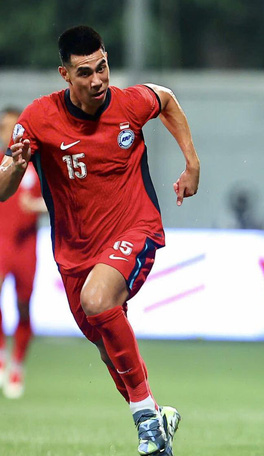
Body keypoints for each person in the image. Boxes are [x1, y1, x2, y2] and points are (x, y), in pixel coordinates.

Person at [0, 26, 200, 455]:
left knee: (97, 299)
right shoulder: (38, 118)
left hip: (136, 229)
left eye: (103, 67)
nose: (97, 81)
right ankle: (157, 420)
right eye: (85, 72)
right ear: (65, 75)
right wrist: (15, 169)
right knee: (110, 353)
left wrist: (191, 161)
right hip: (74, 254)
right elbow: (3, 187)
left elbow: (165, 98)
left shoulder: (129, 103)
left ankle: (144, 421)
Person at [0, 106, 46, 399]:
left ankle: (17, 364)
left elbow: (59, 201)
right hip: (1, 242)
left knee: (24, 306)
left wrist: (38, 206)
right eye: (5, 126)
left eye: (13, 126)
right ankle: (2, 356)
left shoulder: (38, 166)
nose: (9, 131)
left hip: (27, 246)